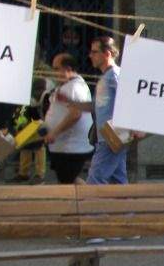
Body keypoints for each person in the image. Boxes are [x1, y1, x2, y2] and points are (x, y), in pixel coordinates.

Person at [75, 35, 130, 185]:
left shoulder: (114, 75)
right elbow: (96, 106)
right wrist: (71, 103)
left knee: (95, 179)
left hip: (111, 136)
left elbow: (128, 99)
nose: (90, 55)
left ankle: (90, 202)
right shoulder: (106, 77)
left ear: (107, 54)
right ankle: (126, 202)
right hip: (108, 137)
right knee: (118, 182)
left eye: (94, 52)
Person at [41, 53, 94, 184]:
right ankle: (90, 194)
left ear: (68, 69)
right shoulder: (69, 85)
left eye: (56, 69)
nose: (53, 72)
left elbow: (75, 114)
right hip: (64, 146)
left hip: (70, 147)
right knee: (68, 180)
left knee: (67, 182)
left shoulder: (75, 87)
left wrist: (54, 132)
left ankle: (92, 195)